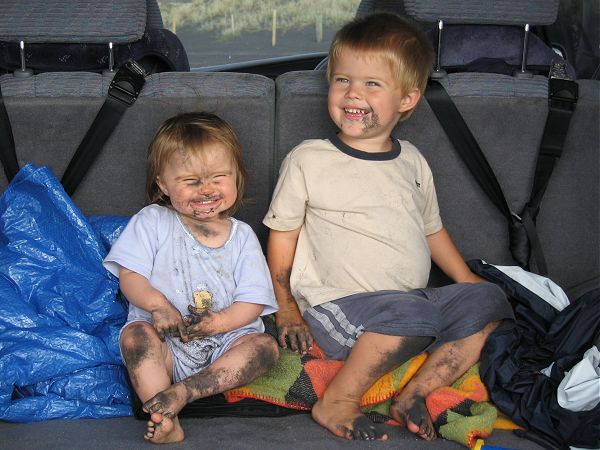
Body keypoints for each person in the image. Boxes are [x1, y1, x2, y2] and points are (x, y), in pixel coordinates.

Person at [263, 12, 514, 442]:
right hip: (337, 307)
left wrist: (468, 282)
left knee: (491, 298)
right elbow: (282, 236)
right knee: (412, 311)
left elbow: (432, 231)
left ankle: (414, 394)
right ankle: (337, 400)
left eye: (372, 84)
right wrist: (285, 305)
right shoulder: (309, 159)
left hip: (406, 305)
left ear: (407, 100)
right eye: (342, 81)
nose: (352, 94)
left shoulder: (413, 161)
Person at [104, 112, 279, 444]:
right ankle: (164, 415)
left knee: (263, 348)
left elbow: (254, 300)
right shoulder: (152, 222)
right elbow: (131, 276)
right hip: (166, 341)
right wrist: (158, 306)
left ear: (237, 178)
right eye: (190, 181)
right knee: (135, 339)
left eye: (218, 177)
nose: (206, 190)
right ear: (163, 185)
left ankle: (183, 392)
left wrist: (220, 323)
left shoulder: (242, 236)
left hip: (226, 343)